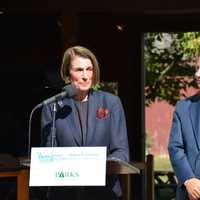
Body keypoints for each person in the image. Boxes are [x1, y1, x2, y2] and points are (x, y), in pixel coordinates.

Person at [41, 45, 129, 200]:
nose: (85, 76)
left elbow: (121, 153)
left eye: (89, 69)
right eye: (79, 70)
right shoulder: (52, 107)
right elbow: (49, 156)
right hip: (64, 194)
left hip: (104, 192)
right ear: (67, 73)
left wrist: (91, 167)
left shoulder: (111, 103)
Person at [168, 56, 200, 200]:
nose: (197, 74)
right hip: (190, 194)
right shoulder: (183, 108)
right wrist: (188, 180)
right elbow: (175, 148)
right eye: (197, 68)